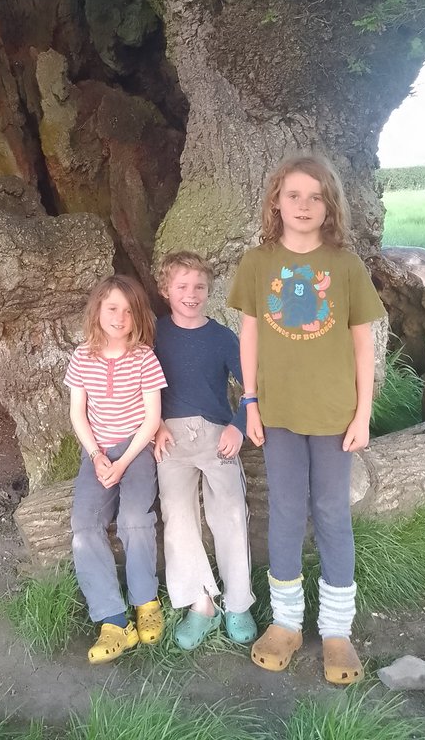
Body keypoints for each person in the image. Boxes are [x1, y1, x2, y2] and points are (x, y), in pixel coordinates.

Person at [228, 154, 385, 685]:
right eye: (293, 195)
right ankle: (288, 622)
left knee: (332, 514)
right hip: (276, 414)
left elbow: (363, 346)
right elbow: (248, 335)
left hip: (335, 414)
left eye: (315, 196)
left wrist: (364, 413)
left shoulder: (345, 266)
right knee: (287, 510)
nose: (303, 205)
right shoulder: (257, 262)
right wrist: (248, 402)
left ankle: (338, 630)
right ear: (276, 200)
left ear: (329, 206)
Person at [153, 251, 257, 650]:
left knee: (230, 511)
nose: (191, 294)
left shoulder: (222, 337)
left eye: (199, 287)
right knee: (177, 516)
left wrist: (238, 426)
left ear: (209, 291)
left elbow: (252, 389)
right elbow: (142, 387)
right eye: (182, 286)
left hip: (217, 435)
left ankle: (238, 601)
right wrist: (155, 425)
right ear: (166, 291)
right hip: (170, 439)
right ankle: (201, 604)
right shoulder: (155, 334)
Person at [65, 273, 167, 664]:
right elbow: (77, 413)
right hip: (98, 452)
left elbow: (152, 416)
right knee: (84, 523)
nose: (119, 317)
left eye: (127, 310)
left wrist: (124, 461)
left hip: (136, 448)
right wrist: (96, 456)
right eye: (112, 308)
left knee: (135, 519)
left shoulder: (144, 357)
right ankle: (113, 620)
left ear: (137, 316)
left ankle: (146, 601)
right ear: (98, 311)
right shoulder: (82, 357)